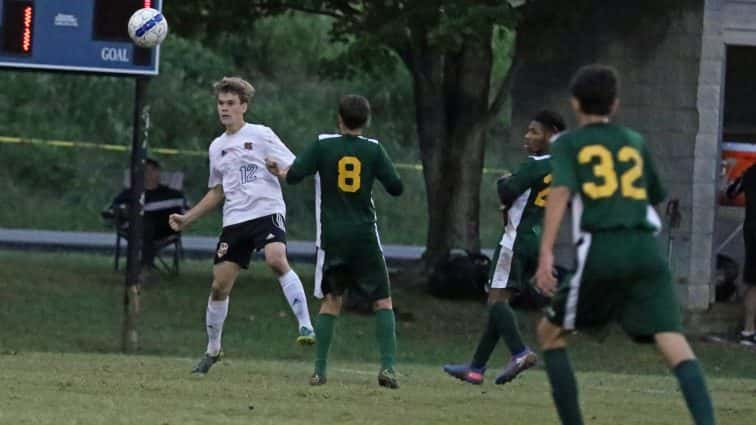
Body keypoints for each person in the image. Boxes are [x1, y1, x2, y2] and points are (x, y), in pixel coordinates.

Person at [534, 64, 715, 425]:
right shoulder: (634, 141)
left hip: (603, 247)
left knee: (549, 333)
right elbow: (655, 196)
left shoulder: (569, 143)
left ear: (574, 104)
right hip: (646, 249)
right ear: (614, 104)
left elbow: (561, 192)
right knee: (673, 341)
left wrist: (546, 252)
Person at [168, 77, 315, 375]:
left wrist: (282, 172)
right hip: (235, 220)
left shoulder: (261, 134)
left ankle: (306, 325)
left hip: (267, 211)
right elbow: (217, 191)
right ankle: (213, 349)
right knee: (219, 286)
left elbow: (295, 168)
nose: (224, 109)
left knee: (276, 259)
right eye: (221, 104)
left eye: (231, 104)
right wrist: (187, 218)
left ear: (243, 106)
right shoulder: (216, 147)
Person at [266, 94, 404, 388]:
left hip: (332, 236)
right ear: (366, 121)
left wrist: (280, 171)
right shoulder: (374, 149)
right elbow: (396, 187)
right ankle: (389, 368)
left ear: (339, 119)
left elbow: (294, 175)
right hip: (365, 235)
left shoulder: (323, 145)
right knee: (382, 300)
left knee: (331, 300)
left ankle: (319, 371)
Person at [443, 110, 566, 385]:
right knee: (501, 303)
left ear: (552, 134)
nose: (527, 136)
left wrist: (503, 181)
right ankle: (476, 367)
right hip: (538, 239)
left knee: (495, 301)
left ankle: (520, 353)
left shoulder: (535, 165)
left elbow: (506, 192)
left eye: (535, 131)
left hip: (515, 240)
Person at [104, 158, 187, 274]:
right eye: (145, 171)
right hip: (135, 229)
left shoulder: (173, 194)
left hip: (164, 229)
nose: (150, 174)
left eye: (153, 170)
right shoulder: (130, 193)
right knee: (145, 223)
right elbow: (112, 211)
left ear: (159, 172)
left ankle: (142, 267)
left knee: (148, 223)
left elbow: (186, 212)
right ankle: (145, 267)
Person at [726, 163, 756, 346]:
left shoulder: (750, 172)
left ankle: (748, 330)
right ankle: (749, 330)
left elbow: (731, 193)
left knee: (753, 280)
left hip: (751, 230)